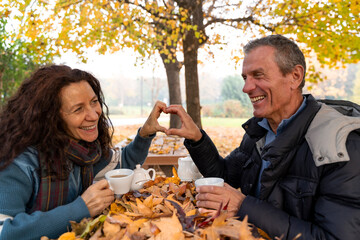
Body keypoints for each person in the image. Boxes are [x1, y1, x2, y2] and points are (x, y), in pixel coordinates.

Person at [164, 35, 360, 239]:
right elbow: (225, 174)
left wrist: (242, 206)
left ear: (295, 76)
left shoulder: (340, 147)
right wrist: (197, 139)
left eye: (258, 75)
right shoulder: (260, 130)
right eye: (245, 78)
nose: (246, 88)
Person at [0, 65, 167, 240]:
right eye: (78, 109)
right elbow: (5, 232)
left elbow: (122, 163)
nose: (94, 115)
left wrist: (145, 134)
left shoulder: (81, 150)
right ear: (50, 117)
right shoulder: (15, 161)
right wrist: (81, 208)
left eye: (94, 102)